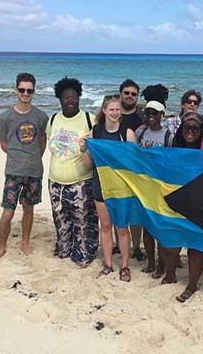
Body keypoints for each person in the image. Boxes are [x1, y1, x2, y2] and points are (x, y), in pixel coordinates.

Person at [80, 94, 137, 281]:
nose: (115, 112)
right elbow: (89, 164)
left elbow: (135, 163)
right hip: (100, 185)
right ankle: (108, 264)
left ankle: (125, 266)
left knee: (122, 228)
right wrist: (83, 150)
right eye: (111, 109)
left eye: (117, 109)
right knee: (105, 226)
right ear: (104, 110)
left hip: (121, 188)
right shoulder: (95, 132)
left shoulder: (127, 133)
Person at [0, 72, 48, 258]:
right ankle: (2, 246)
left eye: (29, 90)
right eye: (22, 90)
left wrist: (32, 157)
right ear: (16, 90)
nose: (25, 93)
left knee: (29, 210)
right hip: (14, 171)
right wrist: (18, 156)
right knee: (8, 211)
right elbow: (3, 144)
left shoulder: (41, 117)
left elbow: (42, 142)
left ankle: (25, 243)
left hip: (34, 171)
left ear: (34, 91)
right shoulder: (6, 117)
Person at [47, 77, 98, 267]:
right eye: (66, 98)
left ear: (79, 97)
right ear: (59, 99)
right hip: (55, 181)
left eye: (74, 97)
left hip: (82, 181)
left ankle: (85, 254)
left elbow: (99, 147)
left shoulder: (89, 119)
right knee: (60, 219)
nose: (70, 101)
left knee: (83, 221)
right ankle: (64, 248)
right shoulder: (53, 119)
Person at [163, 112, 203, 300]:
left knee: (195, 246)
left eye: (194, 129)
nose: (190, 131)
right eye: (187, 128)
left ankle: (192, 285)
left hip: (198, 203)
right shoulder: (174, 148)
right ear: (181, 129)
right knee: (171, 243)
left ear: (200, 131)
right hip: (176, 200)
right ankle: (170, 274)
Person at [135, 85, 173, 277]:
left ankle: (161, 265)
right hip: (143, 186)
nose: (151, 115)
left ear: (162, 115)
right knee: (147, 227)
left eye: (155, 113)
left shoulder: (168, 136)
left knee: (158, 227)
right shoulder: (140, 133)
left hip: (160, 187)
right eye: (148, 112)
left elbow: (172, 161)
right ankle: (151, 262)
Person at [118, 78, 145, 261]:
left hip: (136, 171)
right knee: (117, 208)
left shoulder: (142, 117)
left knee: (135, 211)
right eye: (126, 93)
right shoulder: (113, 112)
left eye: (133, 94)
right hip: (116, 169)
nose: (129, 96)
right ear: (120, 93)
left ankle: (136, 247)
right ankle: (118, 244)